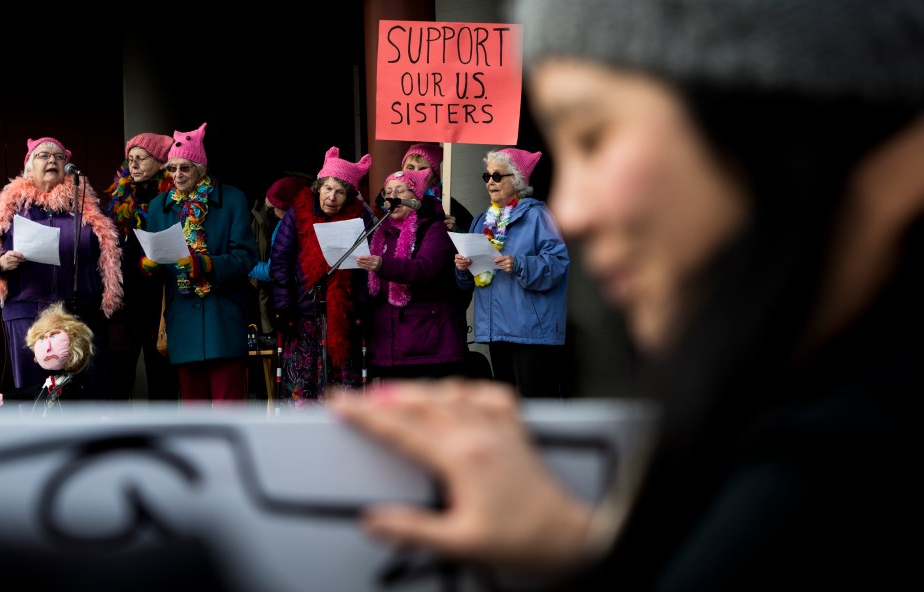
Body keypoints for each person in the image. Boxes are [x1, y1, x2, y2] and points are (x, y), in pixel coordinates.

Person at [332, 1, 924, 590]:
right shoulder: (757, 438)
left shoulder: (839, 463)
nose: (575, 210)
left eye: (592, 137)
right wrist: (567, 553)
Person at [0, 137, 123, 395]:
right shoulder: (12, 208)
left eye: (59, 157)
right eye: (43, 156)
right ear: (29, 167)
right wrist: (0, 262)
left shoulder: (85, 208)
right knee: (33, 392)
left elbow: (108, 255)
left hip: (78, 312)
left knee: (84, 393)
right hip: (27, 313)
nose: (52, 160)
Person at [142, 123, 258, 404]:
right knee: (195, 412)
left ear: (201, 167)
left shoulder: (231, 199)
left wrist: (207, 264)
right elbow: (158, 255)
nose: (177, 175)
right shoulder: (159, 206)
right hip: (182, 317)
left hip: (223, 315)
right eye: (172, 169)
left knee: (228, 407)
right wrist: (151, 266)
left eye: (185, 168)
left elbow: (246, 258)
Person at [453, 147, 570, 399]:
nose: (490, 182)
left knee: (536, 405)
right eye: (487, 176)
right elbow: (470, 281)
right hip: (497, 329)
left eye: (498, 176)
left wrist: (519, 264)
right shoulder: (481, 220)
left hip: (531, 331)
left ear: (517, 180)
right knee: (507, 406)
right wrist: (463, 267)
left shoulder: (538, 215)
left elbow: (558, 264)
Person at [269, 146, 374, 406]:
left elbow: (365, 271)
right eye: (328, 189)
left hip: (343, 317)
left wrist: (362, 307)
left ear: (349, 196)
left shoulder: (361, 218)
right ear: (318, 187)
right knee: (303, 387)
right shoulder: (297, 213)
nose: (332, 197)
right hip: (303, 313)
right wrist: (283, 305)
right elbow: (280, 261)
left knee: (342, 385)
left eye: (340, 192)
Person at [355, 168, 467, 381]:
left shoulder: (435, 228)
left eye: (400, 191)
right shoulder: (380, 230)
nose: (392, 197)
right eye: (388, 192)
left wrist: (382, 265)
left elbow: (425, 268)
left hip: (426, 341)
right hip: (388, 343)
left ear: (416, 198)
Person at [104, 132, 179, 402]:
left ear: (160, 162)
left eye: (141, 158)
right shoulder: (122, 195)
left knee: (162, 374)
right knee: (119, 373)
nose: (133, 165)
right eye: (130, 159)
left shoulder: (173, 196)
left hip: (160, 296)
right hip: (127, 299)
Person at [0, 301, 95, 412]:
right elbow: (26, 392)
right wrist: (6, 397)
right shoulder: (45, 385)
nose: (48, 347)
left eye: (54, 337)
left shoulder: (75, 387)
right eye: (42, 340)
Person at [249, 174, 313, 334]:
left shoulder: (283, 228)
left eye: (272, 208)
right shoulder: (312, 220)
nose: (272, 212)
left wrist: (247, 265)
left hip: (294, 303)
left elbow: (274, 270)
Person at [400, 142, 473, 232]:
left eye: (423, 169)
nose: (415, 173)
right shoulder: (390, 199)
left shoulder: (448, 205)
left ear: (434, 177)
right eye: (410, 168)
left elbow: (473, 238)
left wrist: (455, 230)